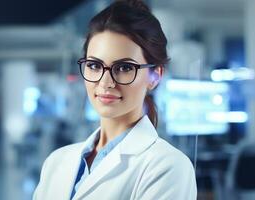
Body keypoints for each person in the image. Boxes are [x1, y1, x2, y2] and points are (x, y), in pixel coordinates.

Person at [33, 0, 197, 199]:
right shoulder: (57, 162)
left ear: (155, 76)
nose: (105, 82)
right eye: (94, 65)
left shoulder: (168, 167)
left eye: (124, 68)